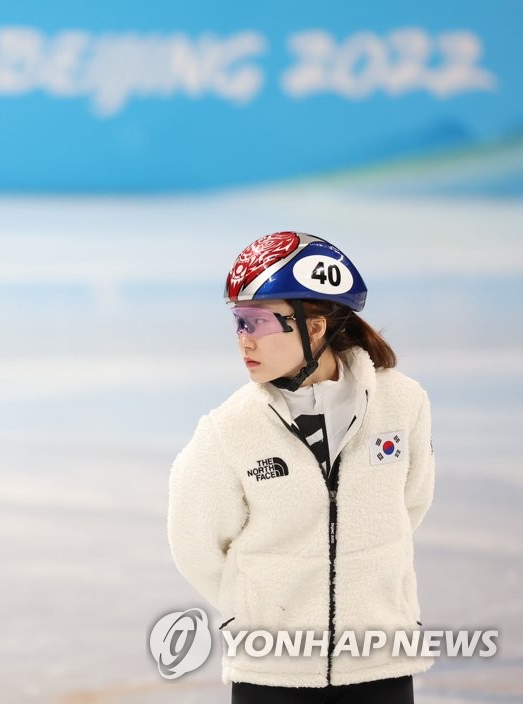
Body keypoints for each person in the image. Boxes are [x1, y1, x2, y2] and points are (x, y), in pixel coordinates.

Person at [167, 232, 436, 703]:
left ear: (314, 327)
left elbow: (408, 504)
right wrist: (253, 610)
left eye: (259, 322)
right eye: (238, 322)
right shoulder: (228, 430)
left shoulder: (403, 403)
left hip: (381, 659)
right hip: (273, 672)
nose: (243, 340)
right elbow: (195, 544)